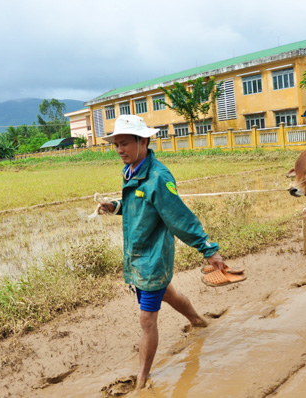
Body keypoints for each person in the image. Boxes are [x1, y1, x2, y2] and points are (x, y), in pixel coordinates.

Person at [98, 114, 228, 390]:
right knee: (167, 292)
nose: (119, 150)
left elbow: (179, 217)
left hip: (153, 258)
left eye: (124, 143)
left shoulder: (158, 177)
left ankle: (143, 378)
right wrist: (116, 206)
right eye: (116, 144)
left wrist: (209, 250)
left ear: (143, 140)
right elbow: (137, 204)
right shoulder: (132, 170)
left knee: (147, 319)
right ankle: (197, 321)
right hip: (137, 257)